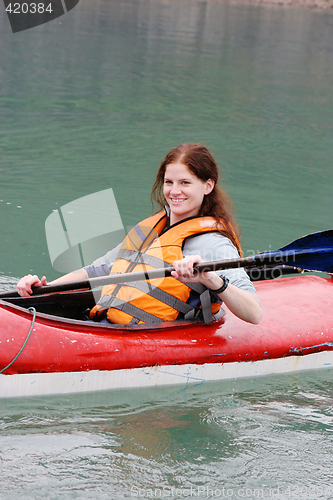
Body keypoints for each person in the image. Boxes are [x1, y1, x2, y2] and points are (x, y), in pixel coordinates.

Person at [17, 144, 263, 325]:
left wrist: (211, 280)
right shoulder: (150, 229)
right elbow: (99, 270)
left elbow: (254, 313)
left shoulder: (213, 243)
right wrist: (44, 289)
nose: (174, 191)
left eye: (185, 183)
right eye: (169, 182)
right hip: (111, 324)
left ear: (207, 186)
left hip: (159, 336)